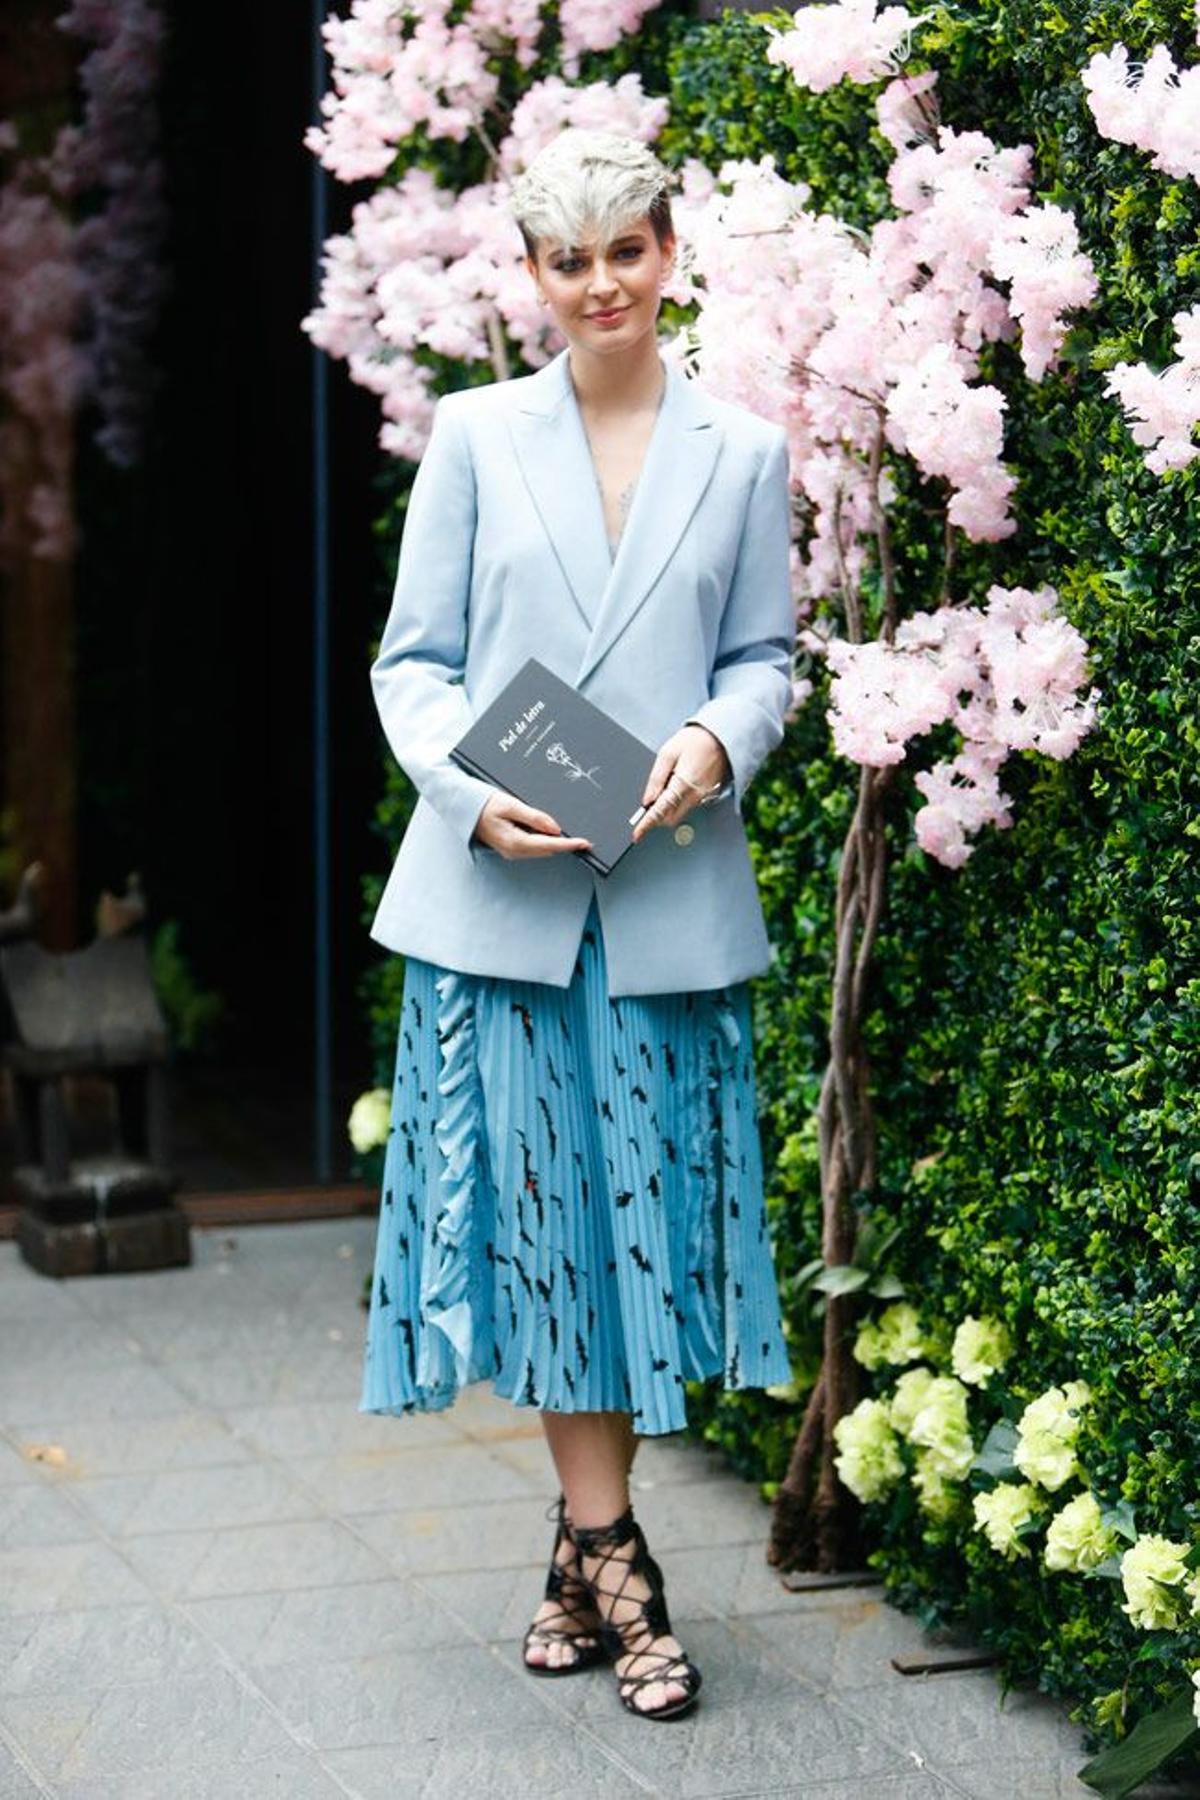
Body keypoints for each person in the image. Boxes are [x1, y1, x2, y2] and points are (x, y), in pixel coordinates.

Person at [358, 127, 796, 1722]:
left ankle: (573, 1564)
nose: (601, 282)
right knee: (547, 1237)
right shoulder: (475, 438)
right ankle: (623, 1573)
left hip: (669, 898)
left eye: (627, 248)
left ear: (669, 252)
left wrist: (716, 743)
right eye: (570, 257)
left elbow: (767, 657)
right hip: (509, 904)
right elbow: (414, 667)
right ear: (533, 278)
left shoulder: (745, 453)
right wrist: (473, 794)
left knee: (638, 1242)